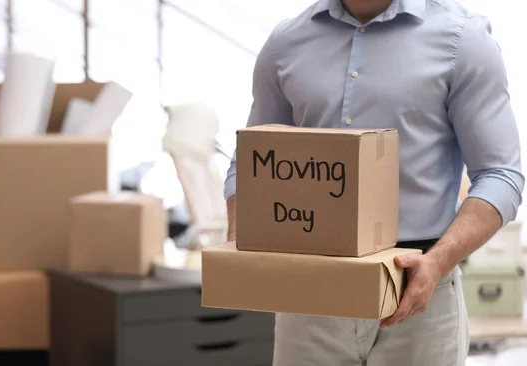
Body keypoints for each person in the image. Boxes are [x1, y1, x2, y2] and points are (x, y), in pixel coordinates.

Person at [223, 0, 524, 365]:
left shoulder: (464, 40)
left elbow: (500, 175)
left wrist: (439, 262)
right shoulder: (286, 42)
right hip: (308, 299)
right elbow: (250, 159)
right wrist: (241, 240)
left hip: (420, 293)